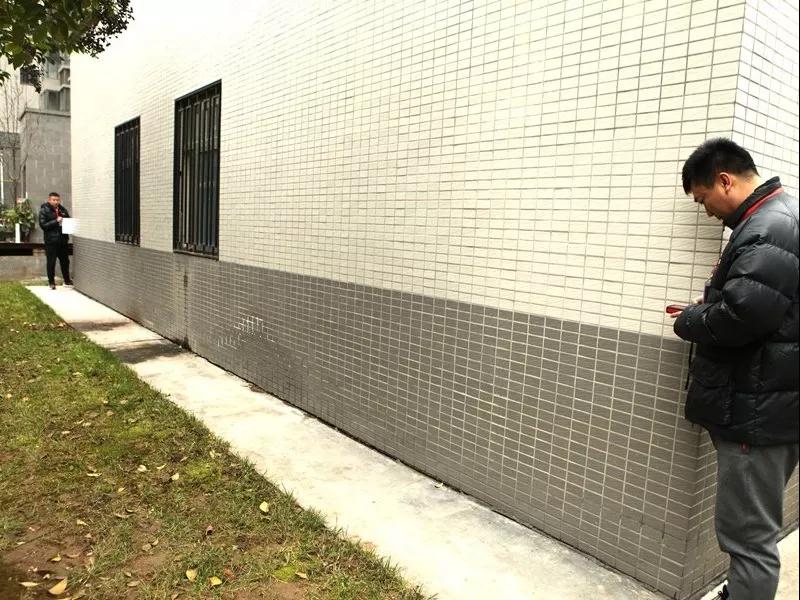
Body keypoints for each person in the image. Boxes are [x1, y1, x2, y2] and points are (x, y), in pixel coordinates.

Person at [671, 138, 798, 600]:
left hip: (756, 411)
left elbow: (742, 317)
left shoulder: (769, 228)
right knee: (750, 531)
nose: (706, 211)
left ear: (725, 180)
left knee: (747, 538)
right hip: (769, 401)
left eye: (703, 198)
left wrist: (691, 319)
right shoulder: (778, 218)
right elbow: (763, 306)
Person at [38, 192, 72, 290]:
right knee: (51, 262)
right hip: (51, 241)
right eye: (54, 200)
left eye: (57, 200)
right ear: (49, 200)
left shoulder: (62, 209)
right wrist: (56, 221)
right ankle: (51, 282)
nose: (56, 202)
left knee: (65, 261)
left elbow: (68, 221)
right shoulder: (44, 210)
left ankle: (67, 280)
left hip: (63, 240)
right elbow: (43, 225)